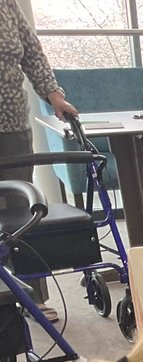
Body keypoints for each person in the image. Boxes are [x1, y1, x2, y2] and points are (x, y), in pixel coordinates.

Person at [0, 0, 78, 322]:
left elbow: (32, 53)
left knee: (21, 212)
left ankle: (32, 295)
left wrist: (54, 95)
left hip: (11, 125)